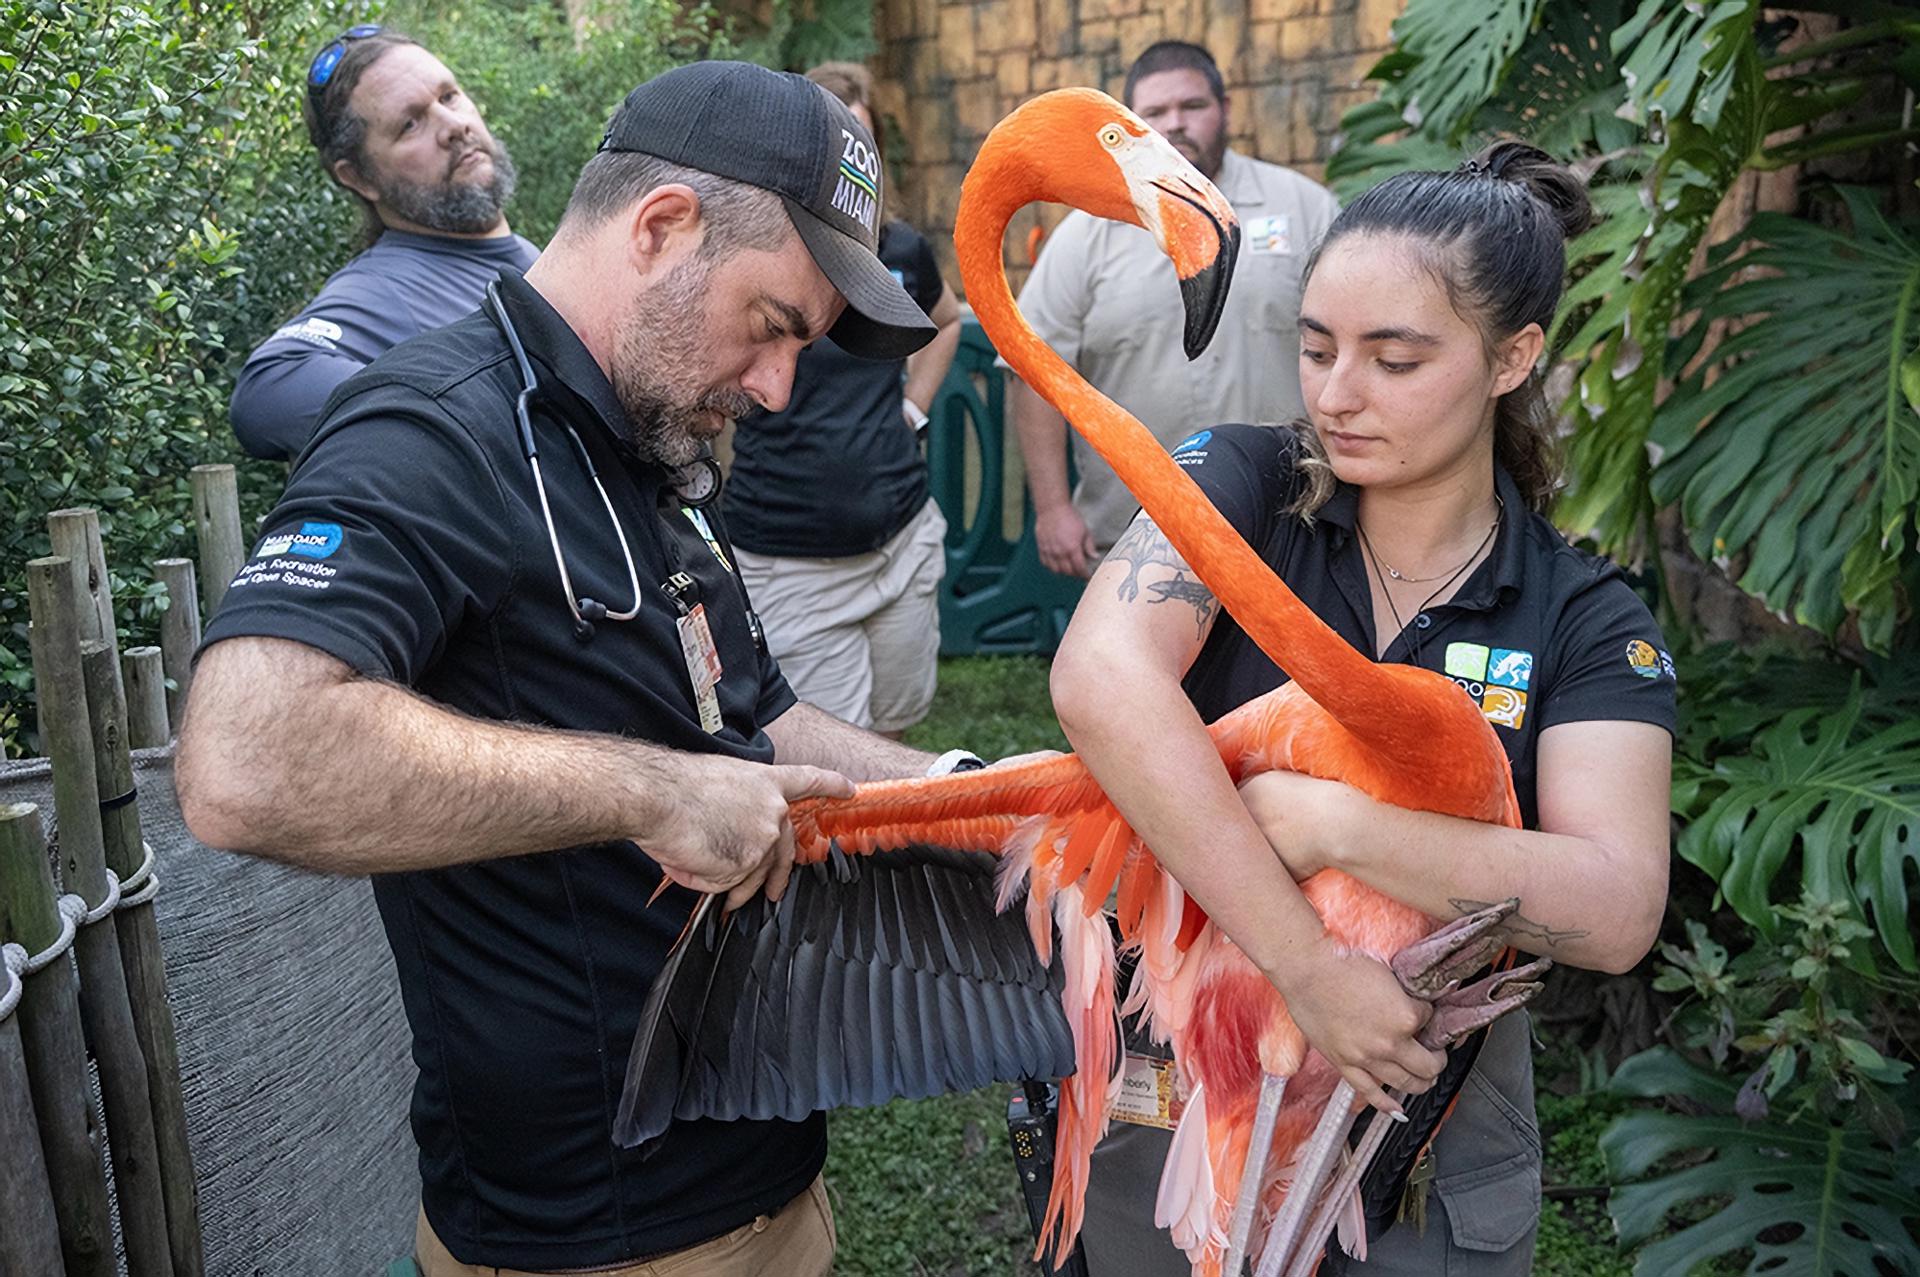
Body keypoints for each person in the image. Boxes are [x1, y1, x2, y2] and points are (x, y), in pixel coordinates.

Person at [175, 61, 969, 1276]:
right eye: (771, 327)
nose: (776, 387)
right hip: (591, 1237)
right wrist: (651, 790)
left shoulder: (653, 437)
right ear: (663, 229)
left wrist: (976, 792)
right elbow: (245, 759)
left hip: (762, 1186)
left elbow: (758, 715)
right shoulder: (435, 427)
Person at [1050, 144, 1674, 1273]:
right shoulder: (1246, 484)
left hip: (1421, 1110)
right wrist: (1305, 962)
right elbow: (1101, 679)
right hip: (1192, 1069)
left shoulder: (1578, 612)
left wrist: (1331, 826)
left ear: (1512, 357)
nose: (1337, 396)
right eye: (1317, 348)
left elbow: (1618, 903)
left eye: (1394, 359)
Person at [1010, 40, 1339, 578]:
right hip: (1136, 530)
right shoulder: (1085, 236)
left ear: (1226, 110)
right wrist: (1052, 508)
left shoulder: (1305, 210)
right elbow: (1033, 371)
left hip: (1288, 519)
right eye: (1154, 115)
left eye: (1193, 107)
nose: (1175, 125)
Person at [721, 61, 962, 737]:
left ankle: (896, 849)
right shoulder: (759, 256)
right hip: (792, 558)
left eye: (864, 145)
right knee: (835, 770)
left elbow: (947, 320)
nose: (853, 166)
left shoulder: (902, 250)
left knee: (894, 728)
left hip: (902, 537)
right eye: (835, 146)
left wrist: (913, 406)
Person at [228, 26, 538, 461]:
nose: (454, 126)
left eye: (449, 96)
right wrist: (467, 418)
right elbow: (266, 391)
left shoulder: (528, 257)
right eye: (410, 123)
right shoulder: (387, 288)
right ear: (359, 177)